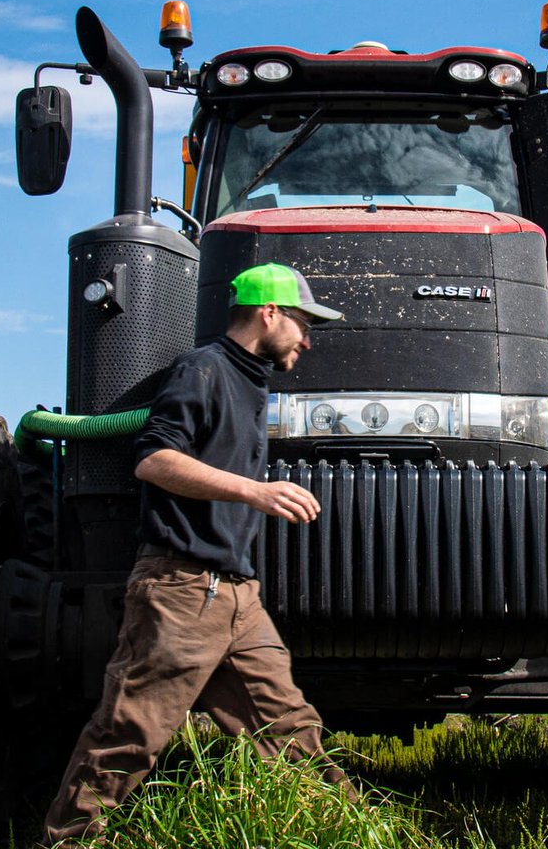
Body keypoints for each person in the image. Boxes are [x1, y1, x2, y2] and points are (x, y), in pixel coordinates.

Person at [42, 262, 350, 845]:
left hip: (238, 596)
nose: (308, 339)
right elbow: (153, 459)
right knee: (128, 735)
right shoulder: (203, 368)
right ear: (270, 313)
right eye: (304, 323)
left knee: (291, 727)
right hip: (183, 588)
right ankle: (72, 840)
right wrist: (254, 490)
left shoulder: (249, 381)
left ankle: (343, 829)